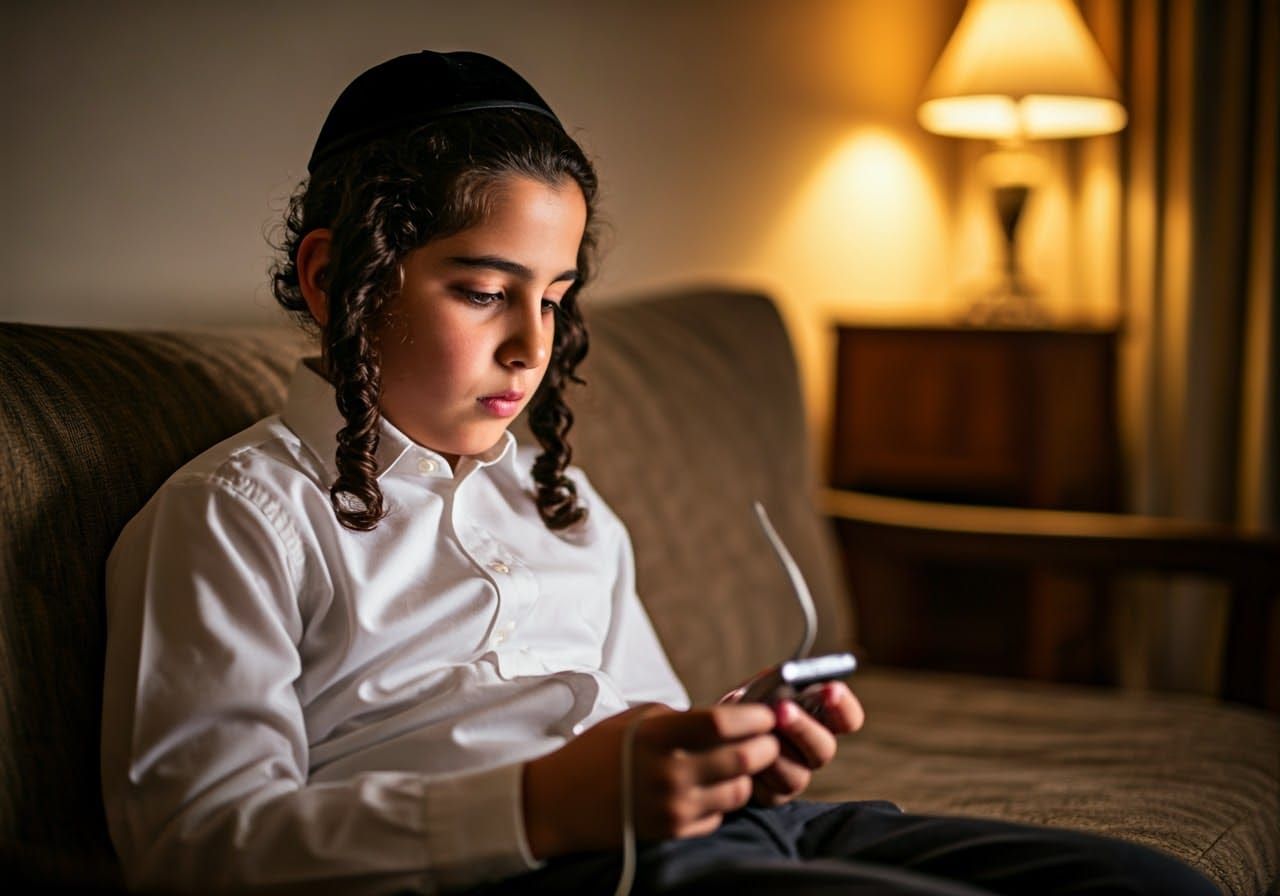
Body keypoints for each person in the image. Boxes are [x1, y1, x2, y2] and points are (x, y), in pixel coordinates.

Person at [100, 51, 1219, 896]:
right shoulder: (237, 518)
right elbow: (193, 839)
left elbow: (642, 714)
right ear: (335, 274)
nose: (532, 346)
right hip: (537, 872)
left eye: (553, 295)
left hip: (706, 839)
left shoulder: (561, 499)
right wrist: (537, 803)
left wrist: (718, 748)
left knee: (1155, 885)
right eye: (484, 290)